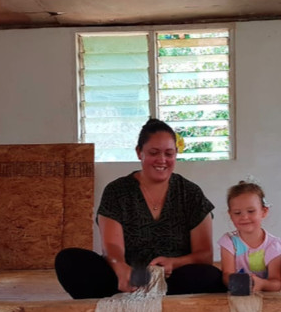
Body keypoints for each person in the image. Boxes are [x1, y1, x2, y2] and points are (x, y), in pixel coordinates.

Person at [55, 118, 225, 298]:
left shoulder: (190, 193)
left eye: (169, 153)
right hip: (129, 279)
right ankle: (127, 300)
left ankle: (156, 304)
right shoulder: (117, 191)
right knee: (69, 260)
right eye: (154, 152)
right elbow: (112, 248)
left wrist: (173, 263)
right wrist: (120, 267)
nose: (162, 160)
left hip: (174, 279)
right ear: (139, 152)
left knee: (210, 276)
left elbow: (205, 255)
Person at [218, 181, 281, 292]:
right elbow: (227, 274)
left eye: (251, 211)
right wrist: (240, 284)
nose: (244, 217)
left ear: (264, 212)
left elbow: (276, 284)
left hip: (265, 299)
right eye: (237, 213)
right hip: (236, 295)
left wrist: (261, 284)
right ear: (230, 215)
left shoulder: (274, 245)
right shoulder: (228, 241)